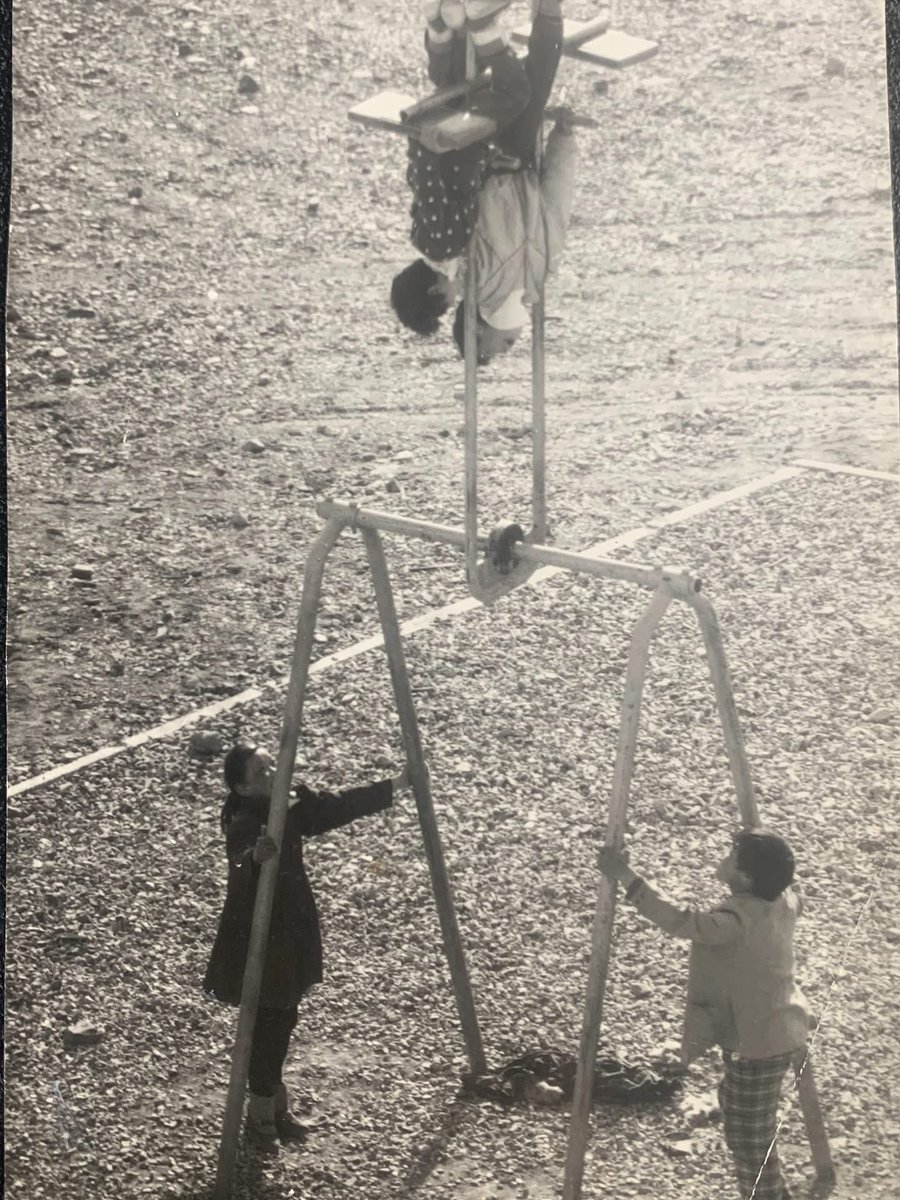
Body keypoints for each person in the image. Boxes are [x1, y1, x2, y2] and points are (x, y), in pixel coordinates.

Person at [203, 744, 409, 1150]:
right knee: (269, 1025)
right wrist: (257, 857)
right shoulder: (245, 818)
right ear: (243, 788)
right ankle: (261, 1117)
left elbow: (338, 807)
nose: (272, 773)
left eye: (270, 765)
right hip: (259, 937)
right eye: (261, 772)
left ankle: (274, 1109)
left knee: (284, 1017)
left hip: (289, 933)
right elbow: (239, 859)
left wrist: (395, 785)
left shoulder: (290, 803)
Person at [599, 828, 811, 1200]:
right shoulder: (784, 901)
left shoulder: (736, 921)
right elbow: (787, 888)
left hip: (759, 1043)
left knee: (748, 1141)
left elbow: (683, 921)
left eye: (731, 855)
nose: (723, 858)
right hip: (779, 1029)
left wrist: (627, 877)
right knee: (745, 1120)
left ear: (744, 878)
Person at [392, 0, 575, 364]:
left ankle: (475, 25)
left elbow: (435, 188)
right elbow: (426, 186)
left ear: (434, 290)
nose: (453, 301)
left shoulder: (453, 255)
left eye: (444, 305)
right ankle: (447, 26)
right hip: (490, 158)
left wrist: (426, 146)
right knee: (466, 86)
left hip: (492, 158)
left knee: (514, 88)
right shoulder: (446, 253)